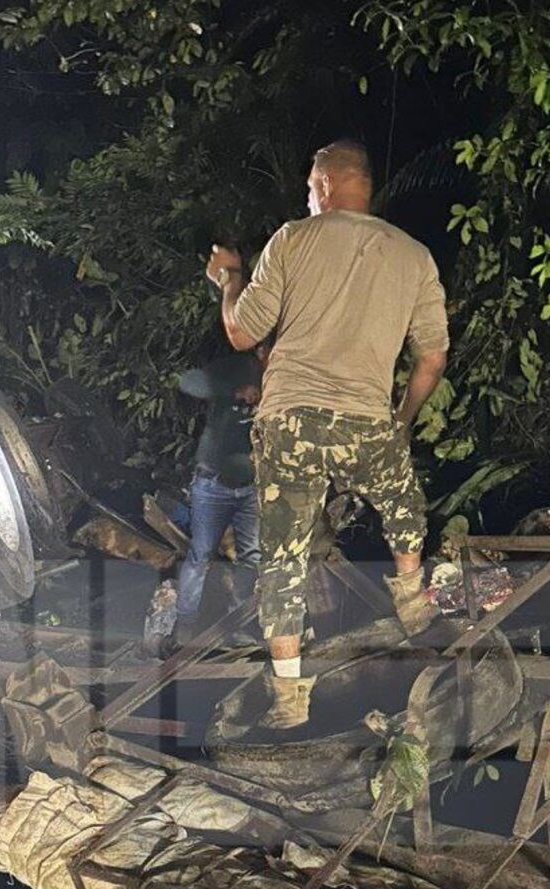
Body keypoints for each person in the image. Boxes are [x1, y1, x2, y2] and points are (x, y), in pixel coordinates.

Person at [205, 139, 450, 729]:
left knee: (283, 559)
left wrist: (229, 279)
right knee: (400, 499)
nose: (305, 195)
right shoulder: (413, 256)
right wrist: (401, 421)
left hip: (289, 423)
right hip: (365, 421)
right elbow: (432, 360)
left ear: (325, 183)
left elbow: (241, 333)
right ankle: (413, 597)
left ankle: (289, 696)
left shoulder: (292, 239)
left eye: (309, 185)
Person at [168, 345, 264, 650]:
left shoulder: (286, 375)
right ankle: (184, 629)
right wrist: (234, 391)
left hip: (252, 489)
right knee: (200, 555)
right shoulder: (235, 367)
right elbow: (188, 382)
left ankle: (237, 629)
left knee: (251, 558)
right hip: (212, 485)